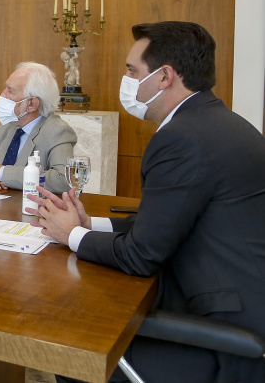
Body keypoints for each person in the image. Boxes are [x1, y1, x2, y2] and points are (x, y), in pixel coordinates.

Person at [34, 22, 265, 383]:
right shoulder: (220, 123)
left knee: (73, 347)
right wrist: (90, 224)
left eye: (132, 71)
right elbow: (165, 222)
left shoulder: (181, 138)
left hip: (223, 335)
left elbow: (140, 256)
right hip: (239, 304)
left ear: (164, 77)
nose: (126, 80)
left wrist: (72, 236)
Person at [0, 62, 75, 193]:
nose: (3, 95)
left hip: (32, 205)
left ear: (32, 104)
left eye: (10, 91)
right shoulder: (5, 128)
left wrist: (0, 173)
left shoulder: (58, 131)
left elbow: (63, 181)